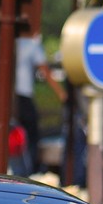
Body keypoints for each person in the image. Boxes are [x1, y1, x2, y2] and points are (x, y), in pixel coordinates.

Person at [14, 34, 66, 176]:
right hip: (23, 96)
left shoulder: (15, 41)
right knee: (31, 136)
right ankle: (30, 171)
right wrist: (61, 93)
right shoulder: (32, 43)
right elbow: (45, 71)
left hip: (10, 96)